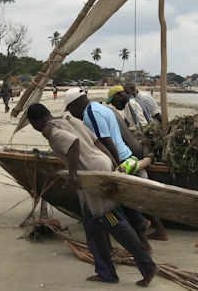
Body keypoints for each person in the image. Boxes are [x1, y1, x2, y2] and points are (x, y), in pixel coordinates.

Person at [26, 103, 157, 286]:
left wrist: (71, 175)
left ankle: (147, 266)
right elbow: (97, 142)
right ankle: (106, 272)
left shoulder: (50, 131)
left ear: (34, 122)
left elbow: (73, 144)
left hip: (90, 173)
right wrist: (111, 164)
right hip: (100, 165)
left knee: (113, 220)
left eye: (32, 124)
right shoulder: (70, 120)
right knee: (91, 224)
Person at [64, 88, 160, 244]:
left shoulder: (91, 114)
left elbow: (106, 142)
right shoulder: (99, 107)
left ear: (75, 105)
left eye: (71, 110)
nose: (73, 114)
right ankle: (151, 229)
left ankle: (142, 238)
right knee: (135, 200)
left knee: (126, 203)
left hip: (120, 160)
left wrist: (116, 167)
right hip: (126, 155)